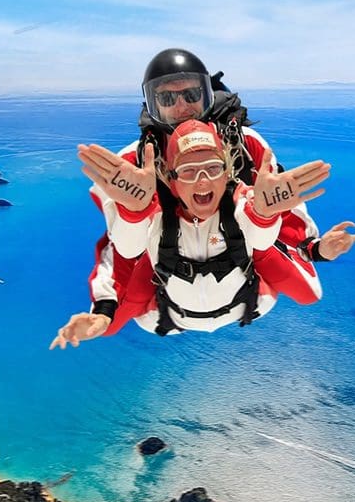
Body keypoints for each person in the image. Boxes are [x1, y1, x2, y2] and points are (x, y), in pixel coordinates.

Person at [83, 48, 355, 332]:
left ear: (206, 96)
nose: (182, 107)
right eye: (167, 98)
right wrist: (104, 308)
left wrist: (314, 249)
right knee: (137, 236)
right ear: (152, 105)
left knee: (273, 231)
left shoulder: (246, 146)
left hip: (239, 277)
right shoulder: (134, 163)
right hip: (169, 287)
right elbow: (120, 249)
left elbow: (282, 203)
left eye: (191, 95)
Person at [51, 120, 335, 347]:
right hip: (170, 315)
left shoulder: (241, 202)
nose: (202, 181)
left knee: (309, 292)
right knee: (108, 326)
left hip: (242, 303)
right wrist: (134, 212)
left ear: (227, 173)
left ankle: (302, 249)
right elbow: (124, 251)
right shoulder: (159, 215)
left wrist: (265, 215)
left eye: (212, 169)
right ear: (170, 179)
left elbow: (261, 238)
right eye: (188, 171)